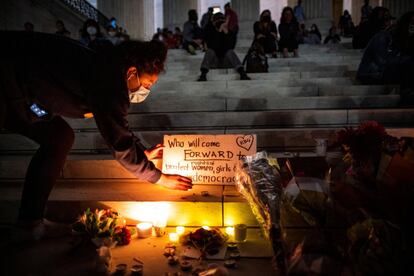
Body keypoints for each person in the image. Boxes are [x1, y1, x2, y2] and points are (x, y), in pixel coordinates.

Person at [0, 31, 193, 239]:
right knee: (58, 137)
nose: (145, 90)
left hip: (22, 92)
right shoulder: (109, 80)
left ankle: (29, 223)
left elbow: (118, 126)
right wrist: (159, 178)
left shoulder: (106, 67)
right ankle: (28, 225)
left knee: (59, 137)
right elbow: (119, 143)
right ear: (131, 73)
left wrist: (142, 152)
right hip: (6, 76)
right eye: (147, 84)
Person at [357, 11, 414, 101]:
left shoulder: (403, 40)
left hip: (384, 73)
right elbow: (383, 61)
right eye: (411, 25)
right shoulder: (382, 36)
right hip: (372, 74)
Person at [197, 12, 250, 81]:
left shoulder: (229, 33)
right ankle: (203, 74)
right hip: (214, 62)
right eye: (217, 21)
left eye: (221, 20)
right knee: (209, 51)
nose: (220, 22)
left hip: (226, 62)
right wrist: (219, 32)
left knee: (230, 52)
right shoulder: (210, 32)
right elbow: (212, 46)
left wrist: (226, 33)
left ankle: (242, 73)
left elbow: (231, 47)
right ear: (213, 23)